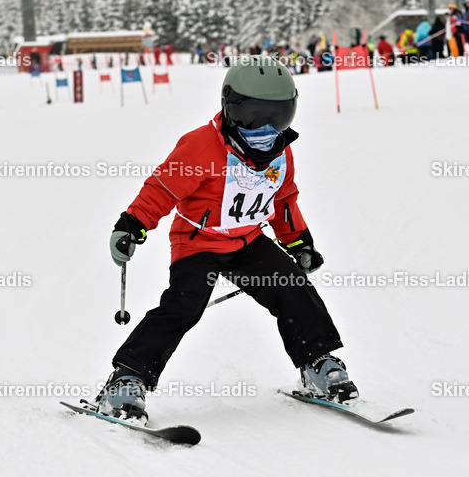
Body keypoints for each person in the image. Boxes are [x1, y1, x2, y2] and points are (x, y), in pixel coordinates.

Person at [94, 55, 356, 421]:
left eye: (278, 115)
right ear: (231, 107)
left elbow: (283, 199)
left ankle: (317, 361)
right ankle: (126, 379)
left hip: (247, 240)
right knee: (182, 308)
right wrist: (132, 224)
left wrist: (298, 242)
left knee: (293, 287)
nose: (267, 127)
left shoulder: (280, 151)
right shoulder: (202, 145)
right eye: (255, 115)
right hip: (199, 241)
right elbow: (162, 188)